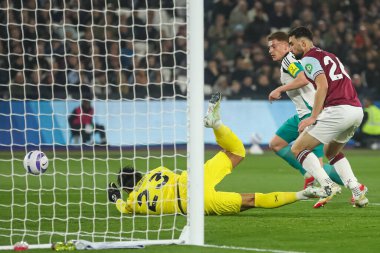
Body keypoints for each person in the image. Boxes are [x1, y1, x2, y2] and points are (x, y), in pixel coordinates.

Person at [107, 92, 326, 215]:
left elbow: (121, 206)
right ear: (138, 174)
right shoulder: (156, 171)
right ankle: (216, 124)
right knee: (236, 151)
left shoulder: (133, 202)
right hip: (192, 179)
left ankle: (301, 195)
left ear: (127, 188)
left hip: (195, 203)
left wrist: (116, 197)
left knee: (251, 200)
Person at [269, 26, 368, 208]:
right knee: (331, 152)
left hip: (336, 111)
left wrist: (313, 117)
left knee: (298, 148)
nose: (291, 49)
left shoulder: (309, 58)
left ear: (303, 43)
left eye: (292, 44)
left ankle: (327, 185)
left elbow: (321, 86)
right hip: (355, 109)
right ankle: (357, 189)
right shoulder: (330, 56)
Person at [267, 31, 343, 191]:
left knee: (318, 164)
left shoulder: (289, 59)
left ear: (286, 45)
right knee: (276, 144)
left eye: (274, 46)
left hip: (311, 113)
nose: (271, 51)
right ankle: (308, 174)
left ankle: (353, 184)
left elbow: (302, 79)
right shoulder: (290, 61)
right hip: (301, 114)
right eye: (269, 48)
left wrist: (280, 89)